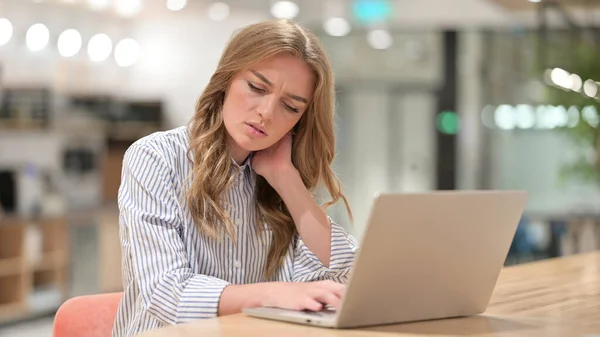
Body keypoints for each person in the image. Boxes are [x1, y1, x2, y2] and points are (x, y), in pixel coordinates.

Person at [112, 19, 358, 337]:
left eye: (290, 106)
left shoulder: (275, 178)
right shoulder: (156, 157)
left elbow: (345, 276)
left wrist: (288, 182)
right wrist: (273, 294)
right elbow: (166, 292)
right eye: (256, 88)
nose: (267, 112)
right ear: (227, 79)